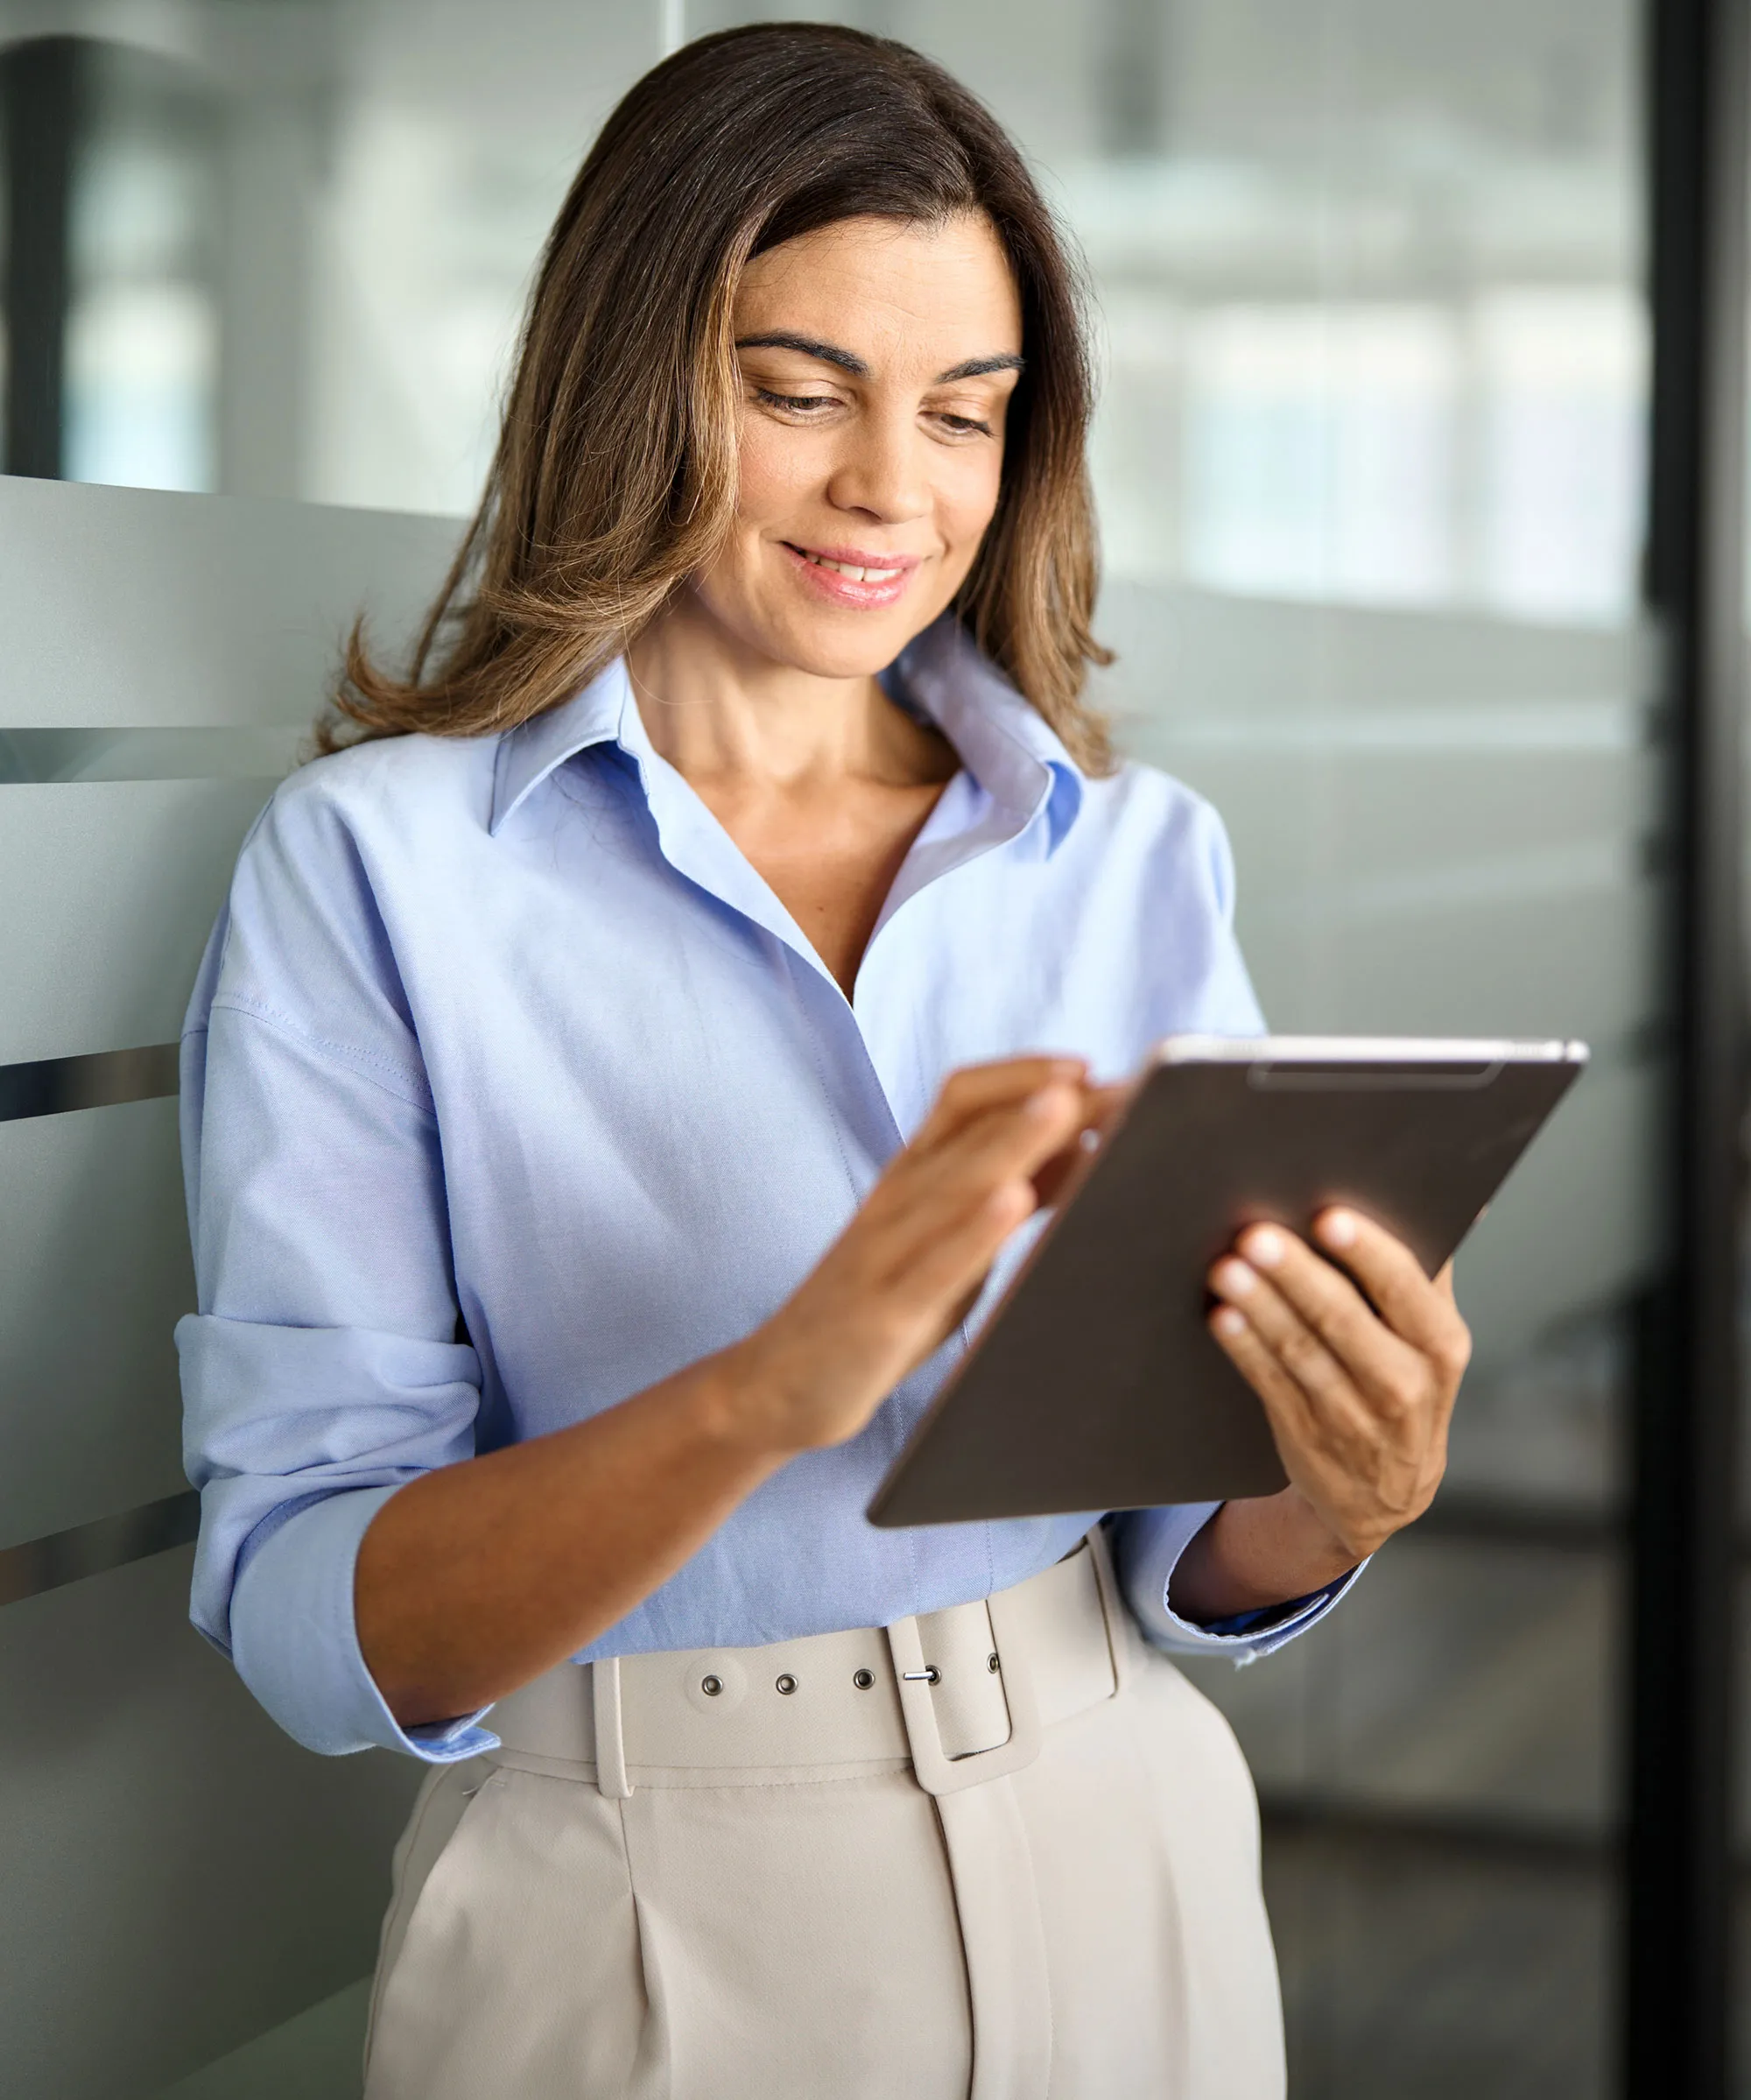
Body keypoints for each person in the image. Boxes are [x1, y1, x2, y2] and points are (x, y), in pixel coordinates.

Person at [176, 25, 1472, 2100]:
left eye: (967, 411)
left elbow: (1179, 1541)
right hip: (636, 1906)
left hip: (1120, 1830)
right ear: (632, 381)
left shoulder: (1129, 855)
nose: (896, 486)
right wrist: (773, 1385)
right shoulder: (379, 871)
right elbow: (312, 1617)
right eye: (802, 392)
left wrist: (1333, 1498)